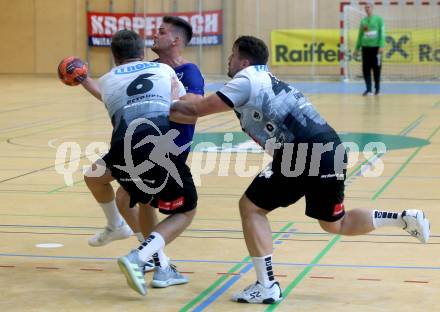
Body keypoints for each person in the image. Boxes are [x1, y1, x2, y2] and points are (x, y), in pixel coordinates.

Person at [172, 35, 430, 304]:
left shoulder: (245, 79)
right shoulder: (265, 79)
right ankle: (403, 218)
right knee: (334, 223)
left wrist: (158, 106)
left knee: (251, 207)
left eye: (233, 54)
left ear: (244, 61)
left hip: (300, 152)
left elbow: (197, 109)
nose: (229, 59)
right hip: (330, 147)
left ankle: (266, 284)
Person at [80, 29, 198, 296]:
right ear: (143, 52)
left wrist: (84, 79)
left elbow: (110, 96)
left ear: (114, 56)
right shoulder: (165, 71)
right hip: (156, 147)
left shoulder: (108, 80)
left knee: (96, 178)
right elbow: (179, 108)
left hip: (122, 150)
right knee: (187, 209)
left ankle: (157, 263)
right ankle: (138, 256)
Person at [354, 3, 385, 96]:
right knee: (366, 69)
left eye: (368, 7)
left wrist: (381, 45)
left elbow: (382, 33)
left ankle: (377, 89)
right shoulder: (363, 21)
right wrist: (356, 48)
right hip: (365, 49)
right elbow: (360, 36)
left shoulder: (379, 20)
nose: (367, 9)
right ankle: (368, 89)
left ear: (372, 8)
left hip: (376, 49)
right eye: (365, 8)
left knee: (376, 69)